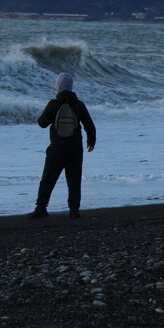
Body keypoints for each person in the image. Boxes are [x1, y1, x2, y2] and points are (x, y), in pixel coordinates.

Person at [29, 72, 97, 219]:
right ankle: (74, 211)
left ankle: (41, 208)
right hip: (75, 146)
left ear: (58, 86)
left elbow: (42, 123)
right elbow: (89, 125)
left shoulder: (53, 104)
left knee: (48, 177)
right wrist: (91, 142)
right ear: (71, 87)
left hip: (58, 146)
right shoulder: (79, 104)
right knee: (74, 179)